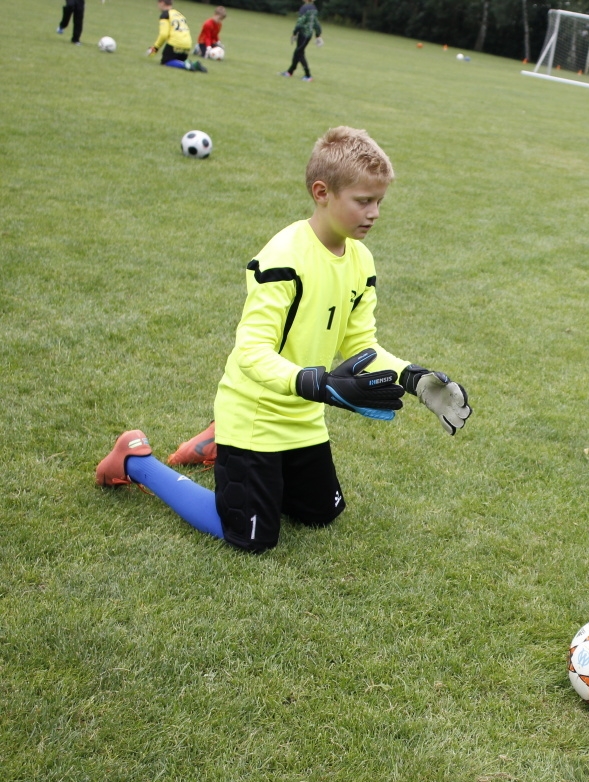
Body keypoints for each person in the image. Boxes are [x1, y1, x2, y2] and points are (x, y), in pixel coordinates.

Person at [95, 126, 473, 552]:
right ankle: (136, 460)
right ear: (322, 192)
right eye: (363, 201)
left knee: (321, 514)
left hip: (303, 419)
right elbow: (251, 353)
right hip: (254, 414)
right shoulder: (283, 258)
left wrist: (413, 379)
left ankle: (215, 443)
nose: (374, 213)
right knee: (251, 538)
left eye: (379, 201)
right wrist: (320, 383)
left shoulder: (360, 259)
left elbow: (361, 345)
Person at [147, 0, 207, 72]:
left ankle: (185, 65)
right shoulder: (179, 14)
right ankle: (194, 64)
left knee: (165, 61)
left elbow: (163, 34)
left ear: (162, 2)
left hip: (176, 43)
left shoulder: (165, 15)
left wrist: (155, 47)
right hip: (187, 45)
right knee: (178, 61)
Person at [282, 0, 322, 82]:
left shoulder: (304, 8)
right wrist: (318, 34)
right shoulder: (314, 8)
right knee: (298, 52)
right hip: (309, 34)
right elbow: (316, 22)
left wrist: (294, 32)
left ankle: (308, 75)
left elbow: (300, 22)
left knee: (299, 53)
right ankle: (290, 72)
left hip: (303, 34)